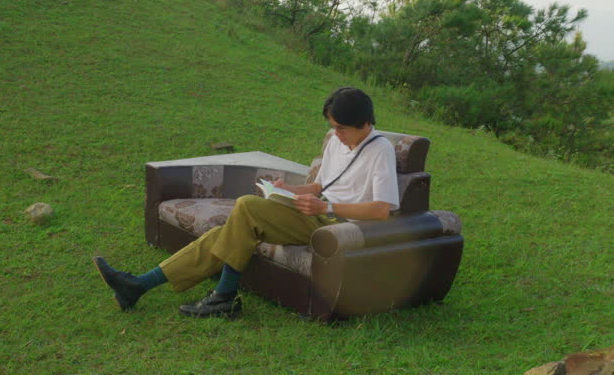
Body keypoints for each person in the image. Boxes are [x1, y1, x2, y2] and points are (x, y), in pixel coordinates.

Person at [94, 86, 400, 319]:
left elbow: (382, 209)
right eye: (333, 127)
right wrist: (288, 189)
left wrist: (327, 207)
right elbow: (321, 185)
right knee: (226, 233)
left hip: (336, 226)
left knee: (246, 207)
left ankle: (224, 296)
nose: (336, 134)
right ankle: (138, 286)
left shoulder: (380, 151)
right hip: (313, 213)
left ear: (363, 123)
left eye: (341, 128)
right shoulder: (336, 142)